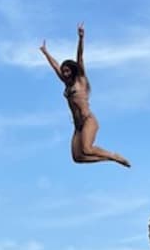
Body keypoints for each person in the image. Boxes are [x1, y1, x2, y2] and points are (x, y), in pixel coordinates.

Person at [40, 24, 130, 167]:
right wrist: (45, 53)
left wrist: (81, 38)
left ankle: (114, 156)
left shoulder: (80, 81)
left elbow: (80, 57)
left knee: (87, 149)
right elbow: (55, 66)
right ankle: (109, 159)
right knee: (77, 157)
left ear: (73, 71)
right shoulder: (67, 84)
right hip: (78, 126)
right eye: (64, 72)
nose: (65, 74)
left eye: (68, 71)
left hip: (88, 120)